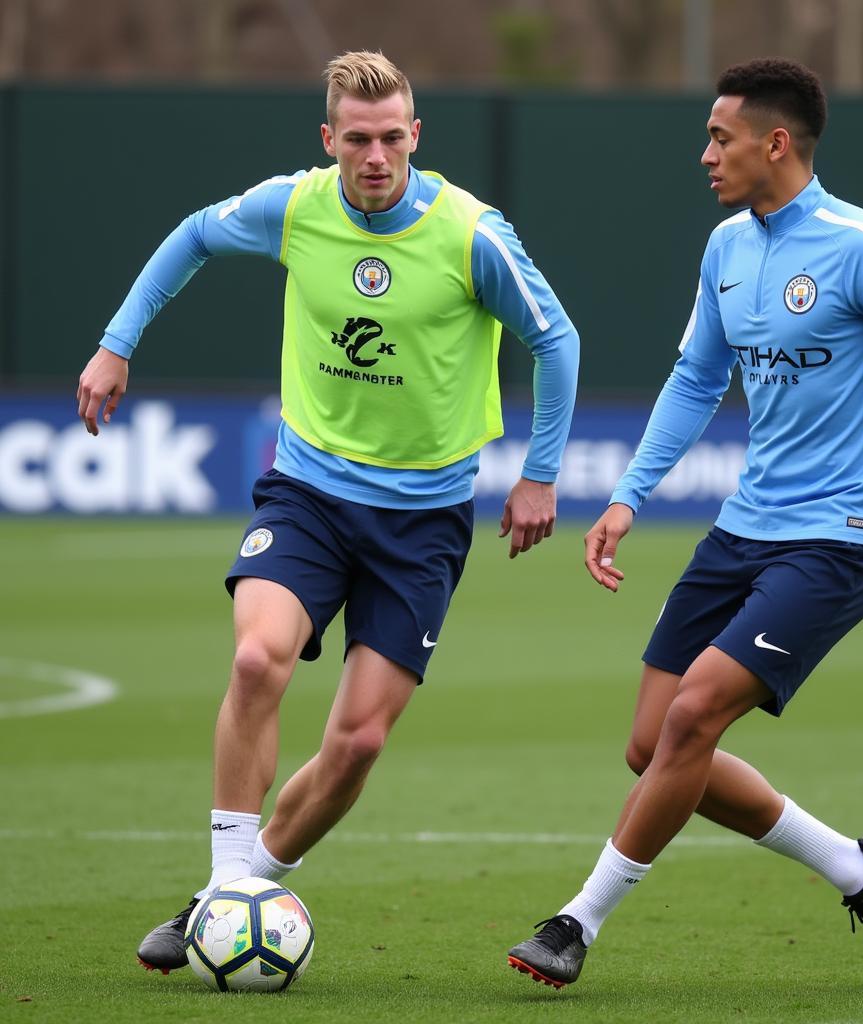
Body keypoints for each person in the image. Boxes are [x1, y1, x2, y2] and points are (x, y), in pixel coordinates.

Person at [76, 50, 579, 974]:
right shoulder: (296, 205)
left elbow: (556, 339)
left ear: (416, 136)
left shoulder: (470, 232)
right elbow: (191, 234)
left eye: (393, 137)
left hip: (422, 523)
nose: (376, 154)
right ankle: (231, 885)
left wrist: (540, 474)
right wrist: (117, 344)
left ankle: (229, 894)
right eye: (358, 139)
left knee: (356, 744)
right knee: (258, 656)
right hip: (308, 494)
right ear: (329, 140)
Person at [507, 57, 863, 989]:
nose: (706, 154)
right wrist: (629, 496)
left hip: (839, 537)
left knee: (689, 722)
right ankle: (857, 864)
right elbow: (695, 379)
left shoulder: (860, 245)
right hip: (744, 525)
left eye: (721, 137)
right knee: (652, 744)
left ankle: (576, 924)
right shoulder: (728, 246)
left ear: (776, 143)